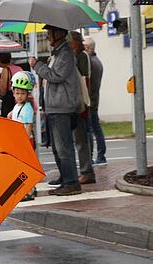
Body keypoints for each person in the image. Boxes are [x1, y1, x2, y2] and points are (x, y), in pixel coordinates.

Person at [30, 25, 83, 196]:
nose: (46, 37)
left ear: (58, 34)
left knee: (63, 147)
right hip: (54, 107)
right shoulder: (58, 53)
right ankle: (65, 177)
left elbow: (56, 76)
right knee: (57, 148)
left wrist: (37, 66)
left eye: (48, 34)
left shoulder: (65, 54)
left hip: (62, 107)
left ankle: (71, 182)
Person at [68, 31, 95, 185]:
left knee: (81, 139)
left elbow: (85, 80)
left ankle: (86, 171)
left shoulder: (82, 57)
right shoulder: (77, 56)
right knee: (79, 138)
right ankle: (85, 170)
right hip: (80, 102)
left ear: (76, 43)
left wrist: (84, 103)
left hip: (81, 103)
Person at [8, 72, 37, 201]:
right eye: (17, 93)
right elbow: (12, 115)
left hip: (26, 141)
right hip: (19, 141)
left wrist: (24, 143)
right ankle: (31, 189)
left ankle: (29, 191)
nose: (20, 96)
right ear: (13, 93)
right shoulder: (17, 106)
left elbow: (28, 126)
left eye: (23, 93)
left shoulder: (27, 108)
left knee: (25, 168)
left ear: (27, 94)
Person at [84, 37, 107, 165]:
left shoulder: (90, 62)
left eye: (83, 46)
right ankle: (101, 155)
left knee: (90, 129)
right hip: (95, 99)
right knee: (96, 127)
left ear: (88, 48)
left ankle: (91, 157)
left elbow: (87, 80)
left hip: (90, 100)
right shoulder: (98, 61)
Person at [0, 53, 23, 118]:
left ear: (0, 60)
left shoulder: (6, 70)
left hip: (9, 102)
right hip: (20, 99)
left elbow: (2, 92)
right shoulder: (19, 68)